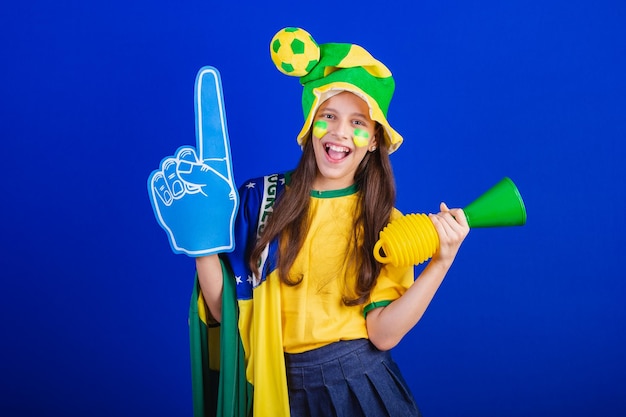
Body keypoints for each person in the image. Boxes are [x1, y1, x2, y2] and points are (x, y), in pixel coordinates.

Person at [192, 28, 469, 417]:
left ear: (374, 140)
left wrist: (441, 263)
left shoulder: (385, 222)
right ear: (310, 124)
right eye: (329, 116)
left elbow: (383, 333)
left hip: (358, 389)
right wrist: (200, 242)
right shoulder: (261, 198)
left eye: (358, 122)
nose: (340, 133)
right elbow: (225, 312)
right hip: (275, 389)